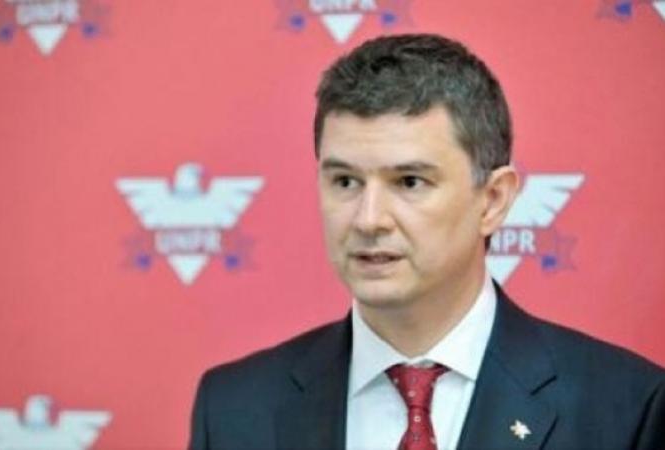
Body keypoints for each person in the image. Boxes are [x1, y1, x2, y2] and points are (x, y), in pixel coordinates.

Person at [188, 34, 665, 450]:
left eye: (409, 182)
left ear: (493, 200)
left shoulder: (624, 407)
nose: (368, 220)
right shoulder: (233, 409)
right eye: (345, 182)